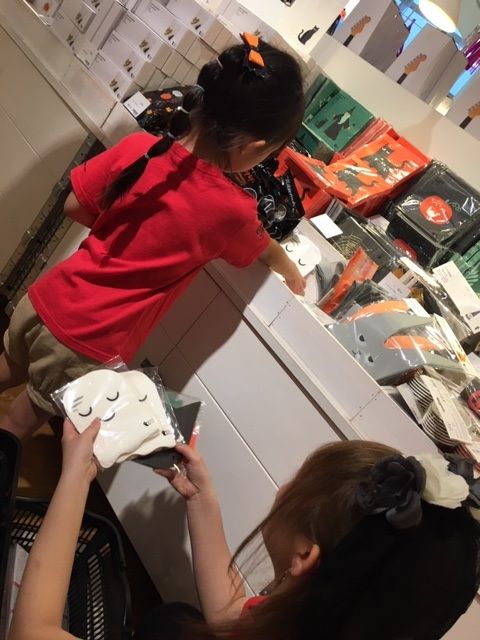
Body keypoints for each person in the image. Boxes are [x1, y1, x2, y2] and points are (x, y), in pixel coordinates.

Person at [0, 33, 307, 440]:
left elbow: (74, 204)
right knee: (17, 424)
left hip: (46, 299)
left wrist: (122, 232)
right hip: (86, 340)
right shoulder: (231, 211)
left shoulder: (141, 146)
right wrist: (290, 269)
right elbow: (259, 247)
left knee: (7, 367)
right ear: (254, 147)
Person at [9, 420, 480, 640]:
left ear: (304, 556)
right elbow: (231, 615)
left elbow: (31, 631)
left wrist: (76, 476)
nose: (284, 488)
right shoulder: (314, 620)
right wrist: (202, 500)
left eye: (296, 483)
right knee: (173, 619)